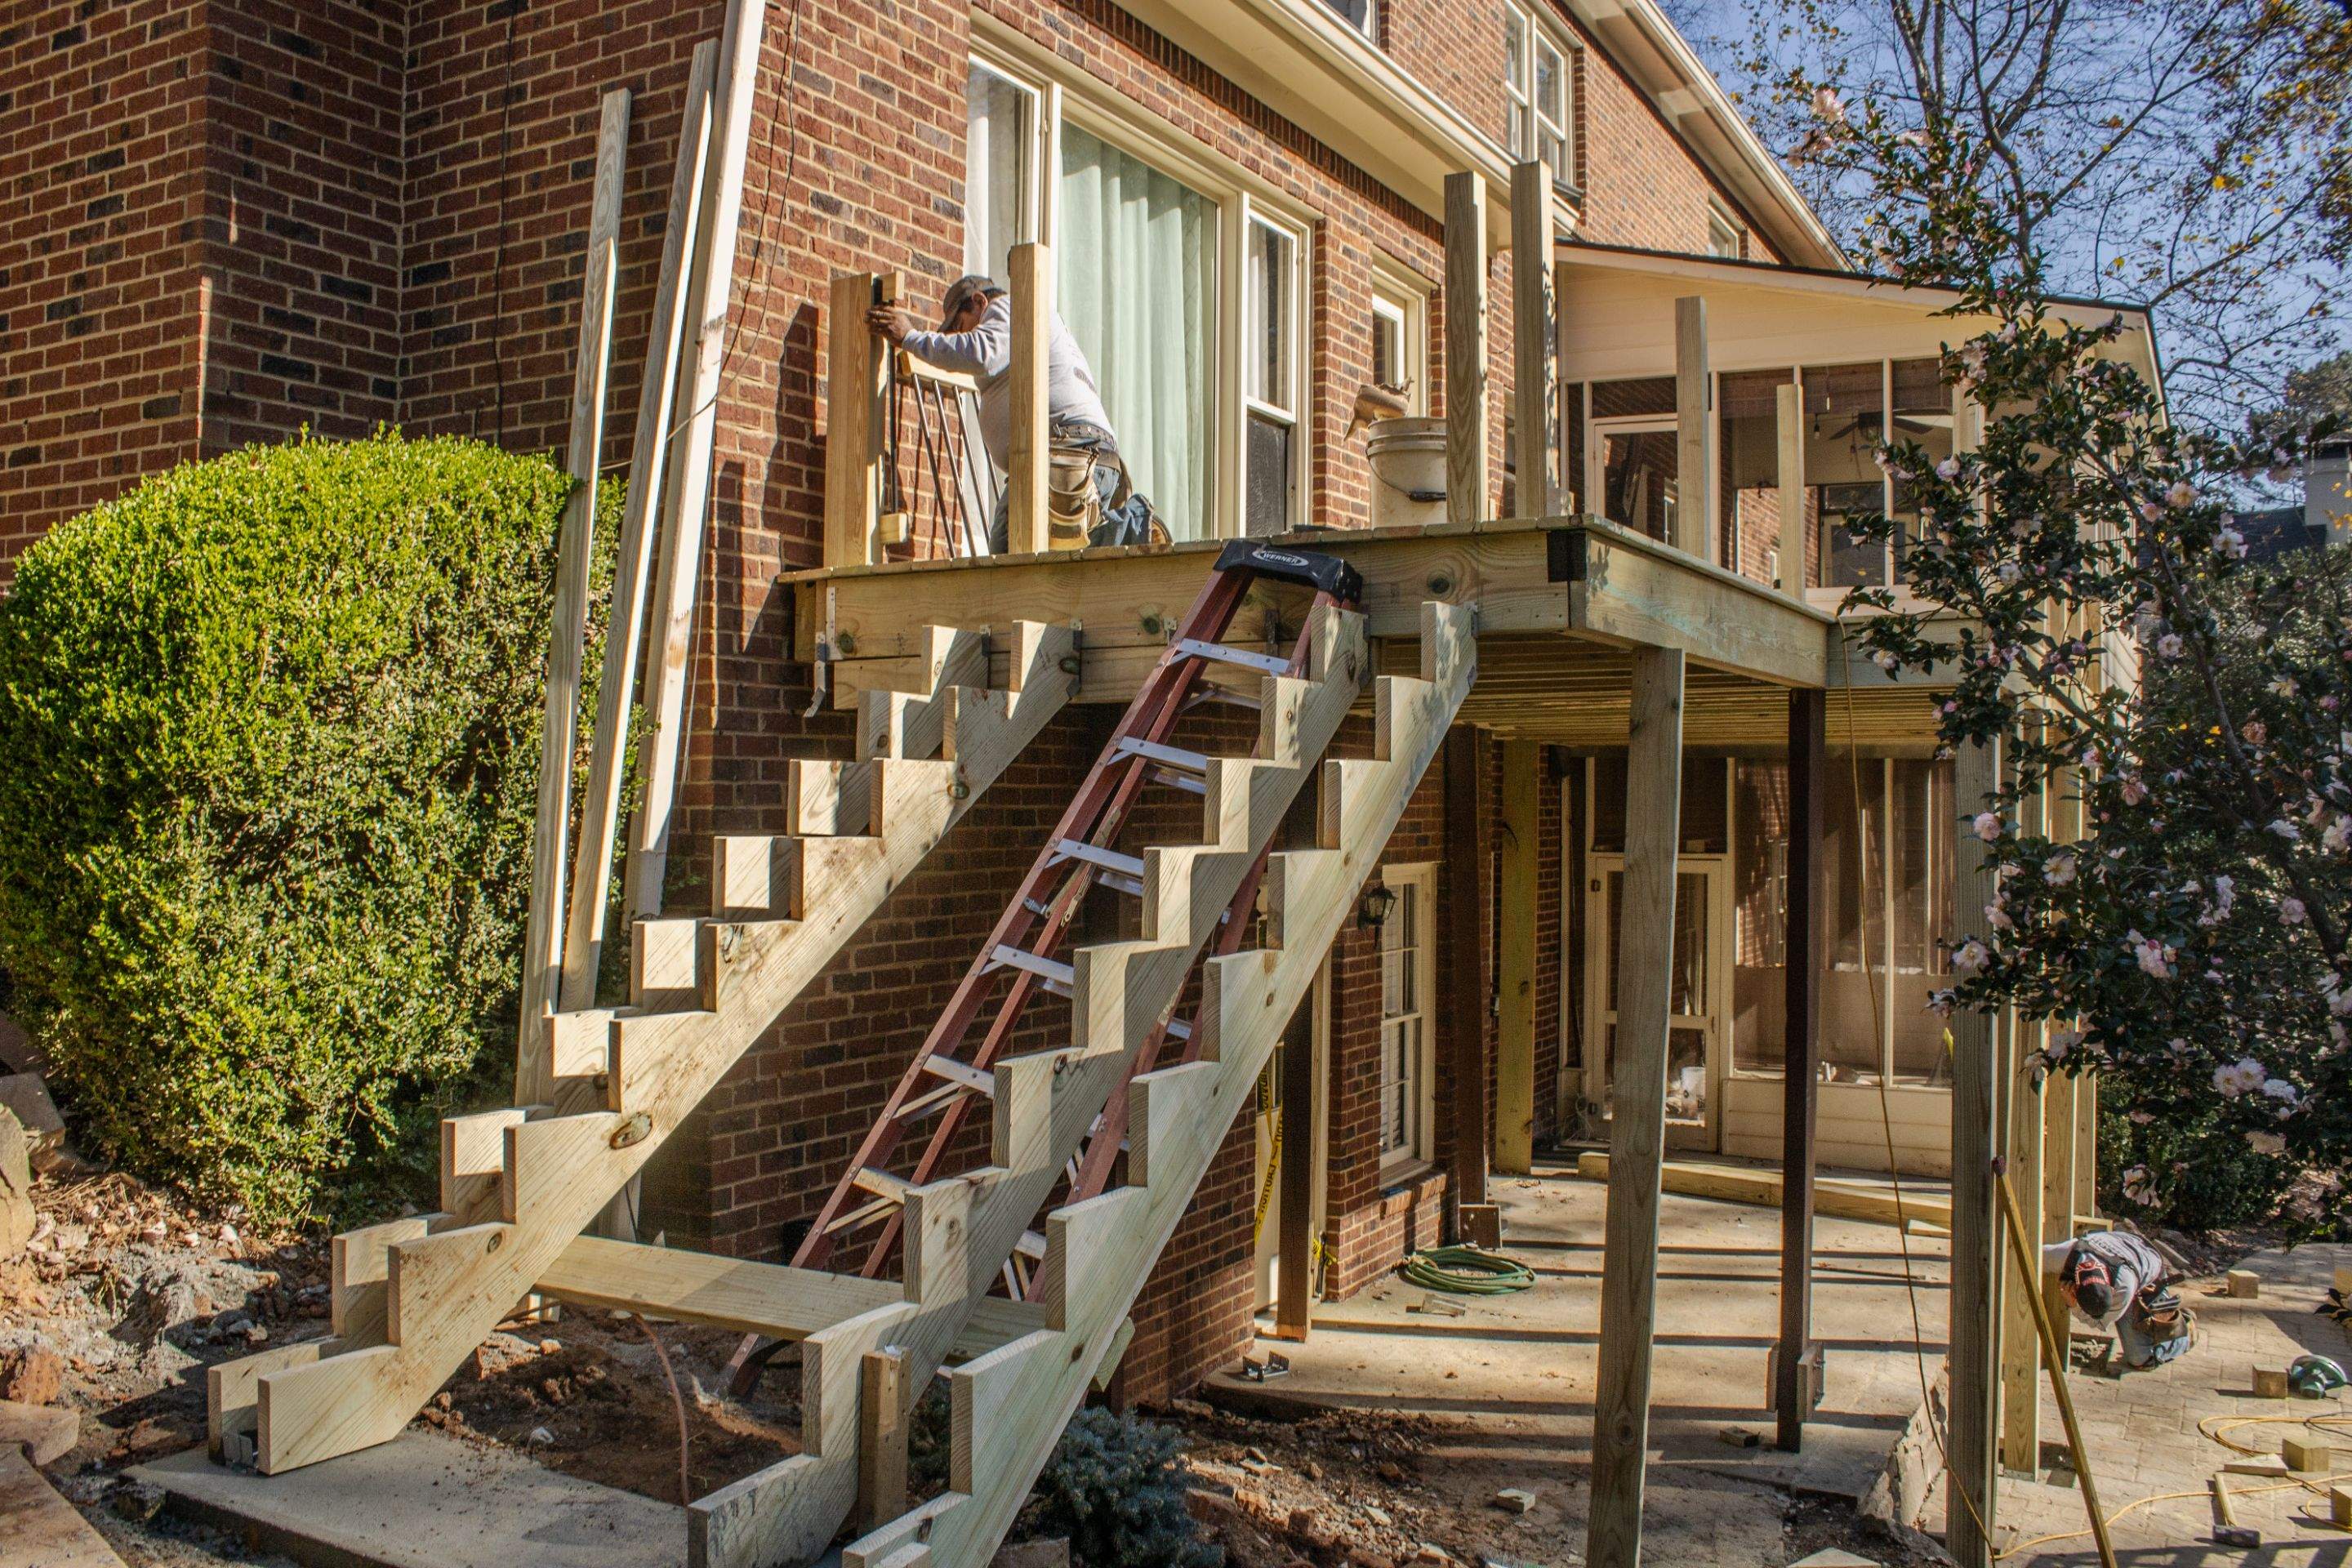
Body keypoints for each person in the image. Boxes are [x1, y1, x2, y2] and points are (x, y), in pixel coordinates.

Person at [868, 275, 1158, 553]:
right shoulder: (1025, 324)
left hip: (1068, 452)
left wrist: (911, 337)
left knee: (1009, 546)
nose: (958, 336)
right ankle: (1128, 529)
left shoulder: (1009, 308)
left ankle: (1134, 525)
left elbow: (982, 354)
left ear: (980, 302)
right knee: (1058, 554)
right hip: (1085, 455)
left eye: (960, 325)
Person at [2042, 1229, 2194, 1370]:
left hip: (2148, 1264)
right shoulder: (2063, 1255)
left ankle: (2185, 1334)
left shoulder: (2123, 1291)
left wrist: (2073, 1305)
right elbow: (2030, 1256)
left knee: (2141, 1359)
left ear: (2112, 1291)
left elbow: (2099, 1323)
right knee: (2138, 1351)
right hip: (2119, 1247)